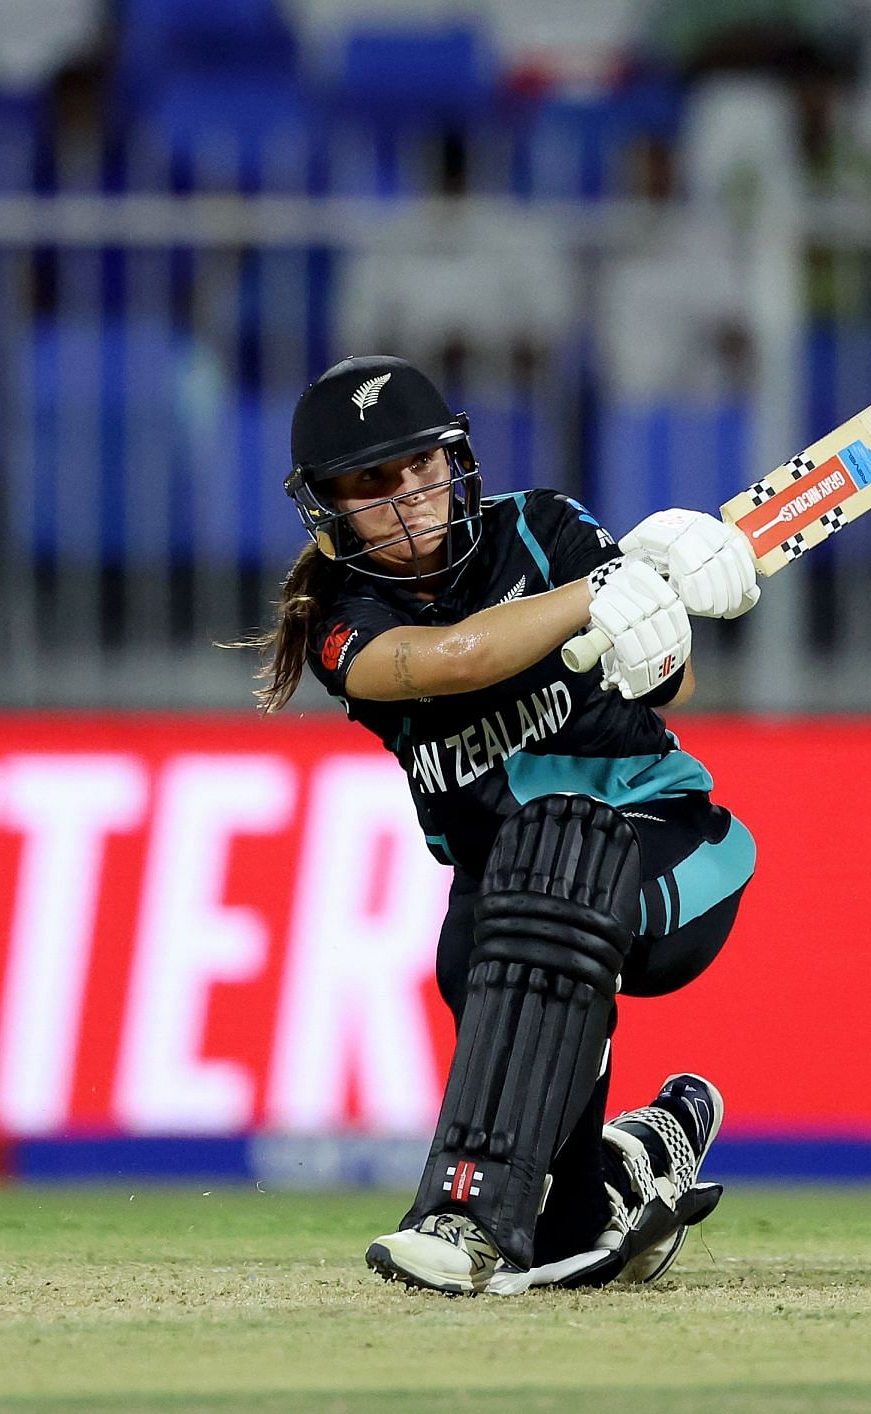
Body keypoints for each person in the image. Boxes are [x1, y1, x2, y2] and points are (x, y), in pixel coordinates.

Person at [240, 355, 761, 1295]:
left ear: (456, 459)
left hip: (670, 843)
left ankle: (465, 1217)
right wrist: (605, 591)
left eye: (420, 466)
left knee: (561, 845)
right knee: (567, 1233)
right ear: (328, 509)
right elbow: (452, 657)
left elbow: (674, 684)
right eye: (371, 485)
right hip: (511, 897)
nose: (406, 499)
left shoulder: (544, 528)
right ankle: (631, 1166)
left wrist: (664, 613)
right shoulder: (338, 616)